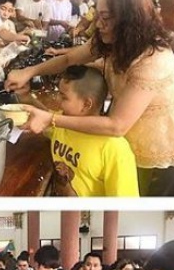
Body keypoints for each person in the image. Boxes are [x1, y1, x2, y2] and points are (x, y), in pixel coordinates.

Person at [6, 0, 174, 196]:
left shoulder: (154, 58)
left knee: (137, 195)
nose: (98, 25)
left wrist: (50, 118)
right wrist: (29, 72)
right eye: (98, 16)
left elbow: (116, 125)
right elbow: (68, 59)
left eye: (106, 18)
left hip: (159, 146)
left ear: (129, 20)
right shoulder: (113, 39)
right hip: (126, 137)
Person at [47, 65, 139, 196]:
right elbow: (45, 121)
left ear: (86, 104)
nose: (57, 100)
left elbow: (123, 206)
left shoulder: (114, 148)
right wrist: (26, 97)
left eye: (63, 97)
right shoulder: (63, 122)